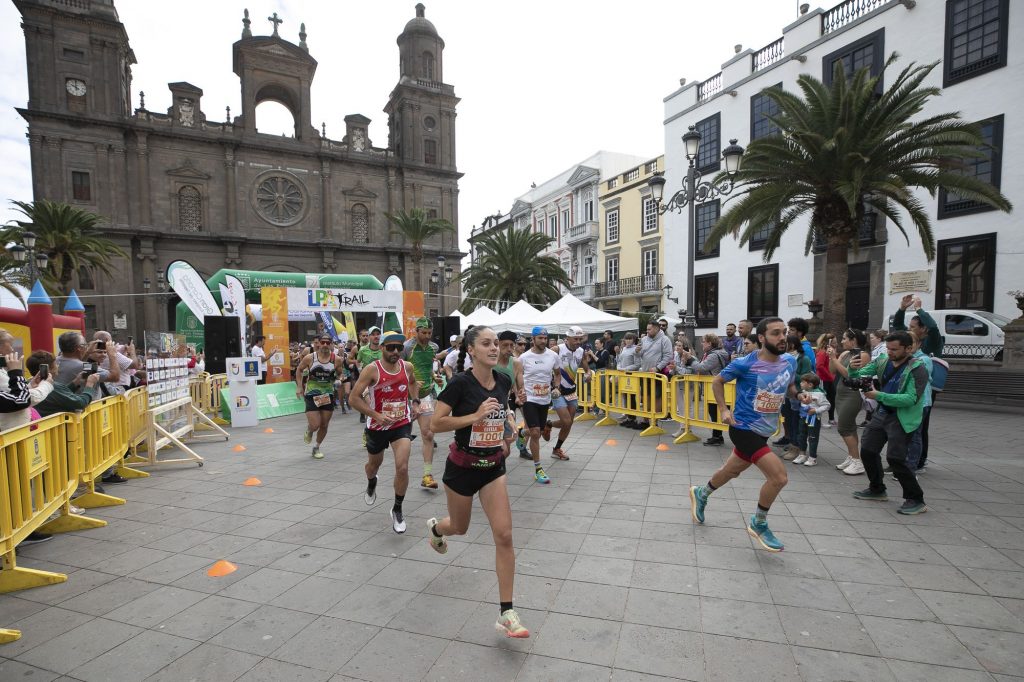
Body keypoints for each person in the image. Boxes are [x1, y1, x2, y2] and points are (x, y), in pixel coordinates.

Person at [427, 325, 529, 638]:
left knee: (505, 535)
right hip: (462, 467)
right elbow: (435, 424)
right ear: (471, 350)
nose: (494, 348)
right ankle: (436, 530)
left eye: (496, 343)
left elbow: (503, 412)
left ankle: (507, 612)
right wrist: (475, 416)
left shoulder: (504, 379)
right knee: (459, 527)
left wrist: (507, 432)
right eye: (486, 343)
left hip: (492, 467)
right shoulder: (460, 384)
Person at [690, 317, 796, 552]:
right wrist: (724, 410)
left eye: (784, 333)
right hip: (743, 428)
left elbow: (789, 387)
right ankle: (758, 523)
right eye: (776, 333)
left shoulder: (789, 361)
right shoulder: (745, 364)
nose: (782, 338)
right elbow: (717, 382)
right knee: (779, 477)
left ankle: (701, 492)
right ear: (761, 338)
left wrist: (801, 396)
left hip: (765, 431)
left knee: (731, 470)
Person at [847, 331, 929, 515]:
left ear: (909, 348)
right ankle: (877, 489)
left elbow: (911, 399)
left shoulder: (918, 368)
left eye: (894, 349)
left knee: (896, 459)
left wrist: (879, 395)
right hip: (882, 413)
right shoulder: (883, 360)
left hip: (902, 417)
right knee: (867, 450)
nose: (890, 352)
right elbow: (858, 376)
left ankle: (916, 499)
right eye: (888, 348)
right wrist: (852, 368)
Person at [348, 332, 420, 533]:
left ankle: (397, 509)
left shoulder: (407, 367)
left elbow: (413, 383)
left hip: (401, 424)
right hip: (377, 427)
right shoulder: (372, 370)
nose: (396, 351)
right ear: (382, 348)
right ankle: (372, 482)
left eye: (399, 348)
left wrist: (415, 402)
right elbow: (353, 399)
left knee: (403, 467)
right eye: (391, 348)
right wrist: (375, 414)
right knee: (373, 466)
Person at [892, 295, 940, 469]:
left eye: (912, 327)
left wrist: (919, 309)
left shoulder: (931, 343)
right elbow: (897, 328)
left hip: (925, 390)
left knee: (919, 428)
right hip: (908, 389)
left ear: (923, 329)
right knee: (908, 426)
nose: (908, 329)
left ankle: (918, 461)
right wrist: (902, 309)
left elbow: (934, 328)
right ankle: (904, 459)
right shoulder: (909, 341)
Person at [403, 318, 444, 489]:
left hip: (426, 396)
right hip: (405, 397)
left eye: (429, 333)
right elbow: (398, 369)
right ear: (416, 331)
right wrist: (409, 382)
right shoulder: (406, 347)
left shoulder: (433, 347)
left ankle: (427, 475)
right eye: (424, 333)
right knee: (398, 436)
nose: (427, 336)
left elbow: (428, 367)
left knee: (428, 434)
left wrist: (435, 377)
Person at [295, 333, 346, 459]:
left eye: (327, 343)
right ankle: (310, 429)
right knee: (315, 425)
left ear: (331, 345)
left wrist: (339, 380)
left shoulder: (337, 359)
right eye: (322, 342)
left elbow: (341, 374)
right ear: (318, 344)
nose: (324, 345)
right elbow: (299, 370)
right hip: (312, 393)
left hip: (327, 394)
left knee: (324, 424)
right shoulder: (310, 357)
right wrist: (299, 387)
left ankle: (316, 447)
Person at [519, 326, 559, 484]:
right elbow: (518, 376)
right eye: (540, 338)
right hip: (529, 399)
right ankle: (538, 469)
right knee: (536, 433)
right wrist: (519, 392)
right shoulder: (524, 357)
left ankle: (522, 433)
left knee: (540, 431)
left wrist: (556, 387)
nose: (543, 341)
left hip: (545, 399)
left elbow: (557, 374)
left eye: (545, 338)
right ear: (533, 339)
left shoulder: (553, 356)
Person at [829, 329, 871, 475]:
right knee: (850, 427)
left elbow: (850, 374)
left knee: (843, 427)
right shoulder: (845, 353)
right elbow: (833, 371)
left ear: (853, 340)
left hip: (853, 394)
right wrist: (832, 357)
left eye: (844, 338)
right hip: (841, 393)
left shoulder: (863, 355)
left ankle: (857, 461)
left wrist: (835, 359)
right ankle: (852, 457)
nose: (841, 341)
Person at [680, 333, 730, 446]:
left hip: (717, 387)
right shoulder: (714, 353)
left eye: (703, 341)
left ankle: (717, 437)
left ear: (710, 343)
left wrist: (690, 358)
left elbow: (702, 368)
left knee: (715, 412)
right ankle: (717, 436)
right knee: (714, 412)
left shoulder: (714, 355)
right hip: (717, 386)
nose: (702, 343)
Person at [0, 328, 51, 433]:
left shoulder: (2, 371)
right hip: (10, 435)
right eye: (10, 345)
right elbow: (21, 400)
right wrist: (46, 385)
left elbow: (11, 395)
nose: (12, 350)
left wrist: (30, 386)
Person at [550, 326, 590, 460]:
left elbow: (587, 368)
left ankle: (556, 448)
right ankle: (547, 426)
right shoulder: (557, 349)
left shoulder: (581, 351)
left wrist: (588, 374)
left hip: (572, 391)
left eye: (580, 339)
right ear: (567, 338)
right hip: (558, 390)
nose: (578, 341)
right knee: (566, 421)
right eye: (575, 339)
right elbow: (544, 362)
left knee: (569, 423)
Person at [636, 320, 672, 430]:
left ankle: (654, 421)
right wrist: (637, 351)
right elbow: (641, 354)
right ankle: (645, 420)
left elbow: (668, 356)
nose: (647, 331)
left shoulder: (665, 340)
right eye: (647, 329)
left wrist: (658, 367)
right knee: (645, 396)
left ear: (657, 329)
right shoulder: (644, 339)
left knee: (656, 397)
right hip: (645, 372)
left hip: (658, 373)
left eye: (649, 329)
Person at [791, 373, 830, 466]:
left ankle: (812, 457)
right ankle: (802, 454)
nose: (800, 383)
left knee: (812, 438)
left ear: (810, 384)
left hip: (814, 419)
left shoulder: (819, 394)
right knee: (801, 436)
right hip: (803, 417)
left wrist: (816, 410)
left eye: (803, 382)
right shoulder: (803, 392)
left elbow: (827, 405)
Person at [616, 332, 641, 428]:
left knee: (631, 397)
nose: (628, 341)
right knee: (625, 396)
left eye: (630, 339)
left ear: (634, 340)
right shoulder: (624, 349)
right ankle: (628, 416)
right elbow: (620, 361)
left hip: (631, 376)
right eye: (627, 339)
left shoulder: (635, 349)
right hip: (623, 375)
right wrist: (619, 367)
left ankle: (632, 418)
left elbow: (637, 364)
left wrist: (625, 369)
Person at [814, 333, 837, 426]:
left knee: (831, 399)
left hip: (828, 379)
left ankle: (831, 419)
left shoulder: (828, 352)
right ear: (829, 343)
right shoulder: (823, 352)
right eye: (835, 342)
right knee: (821, 400)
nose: (837, 344)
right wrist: (830, 375)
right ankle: (818, 420)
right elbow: (819, 366)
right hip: (823, 379)